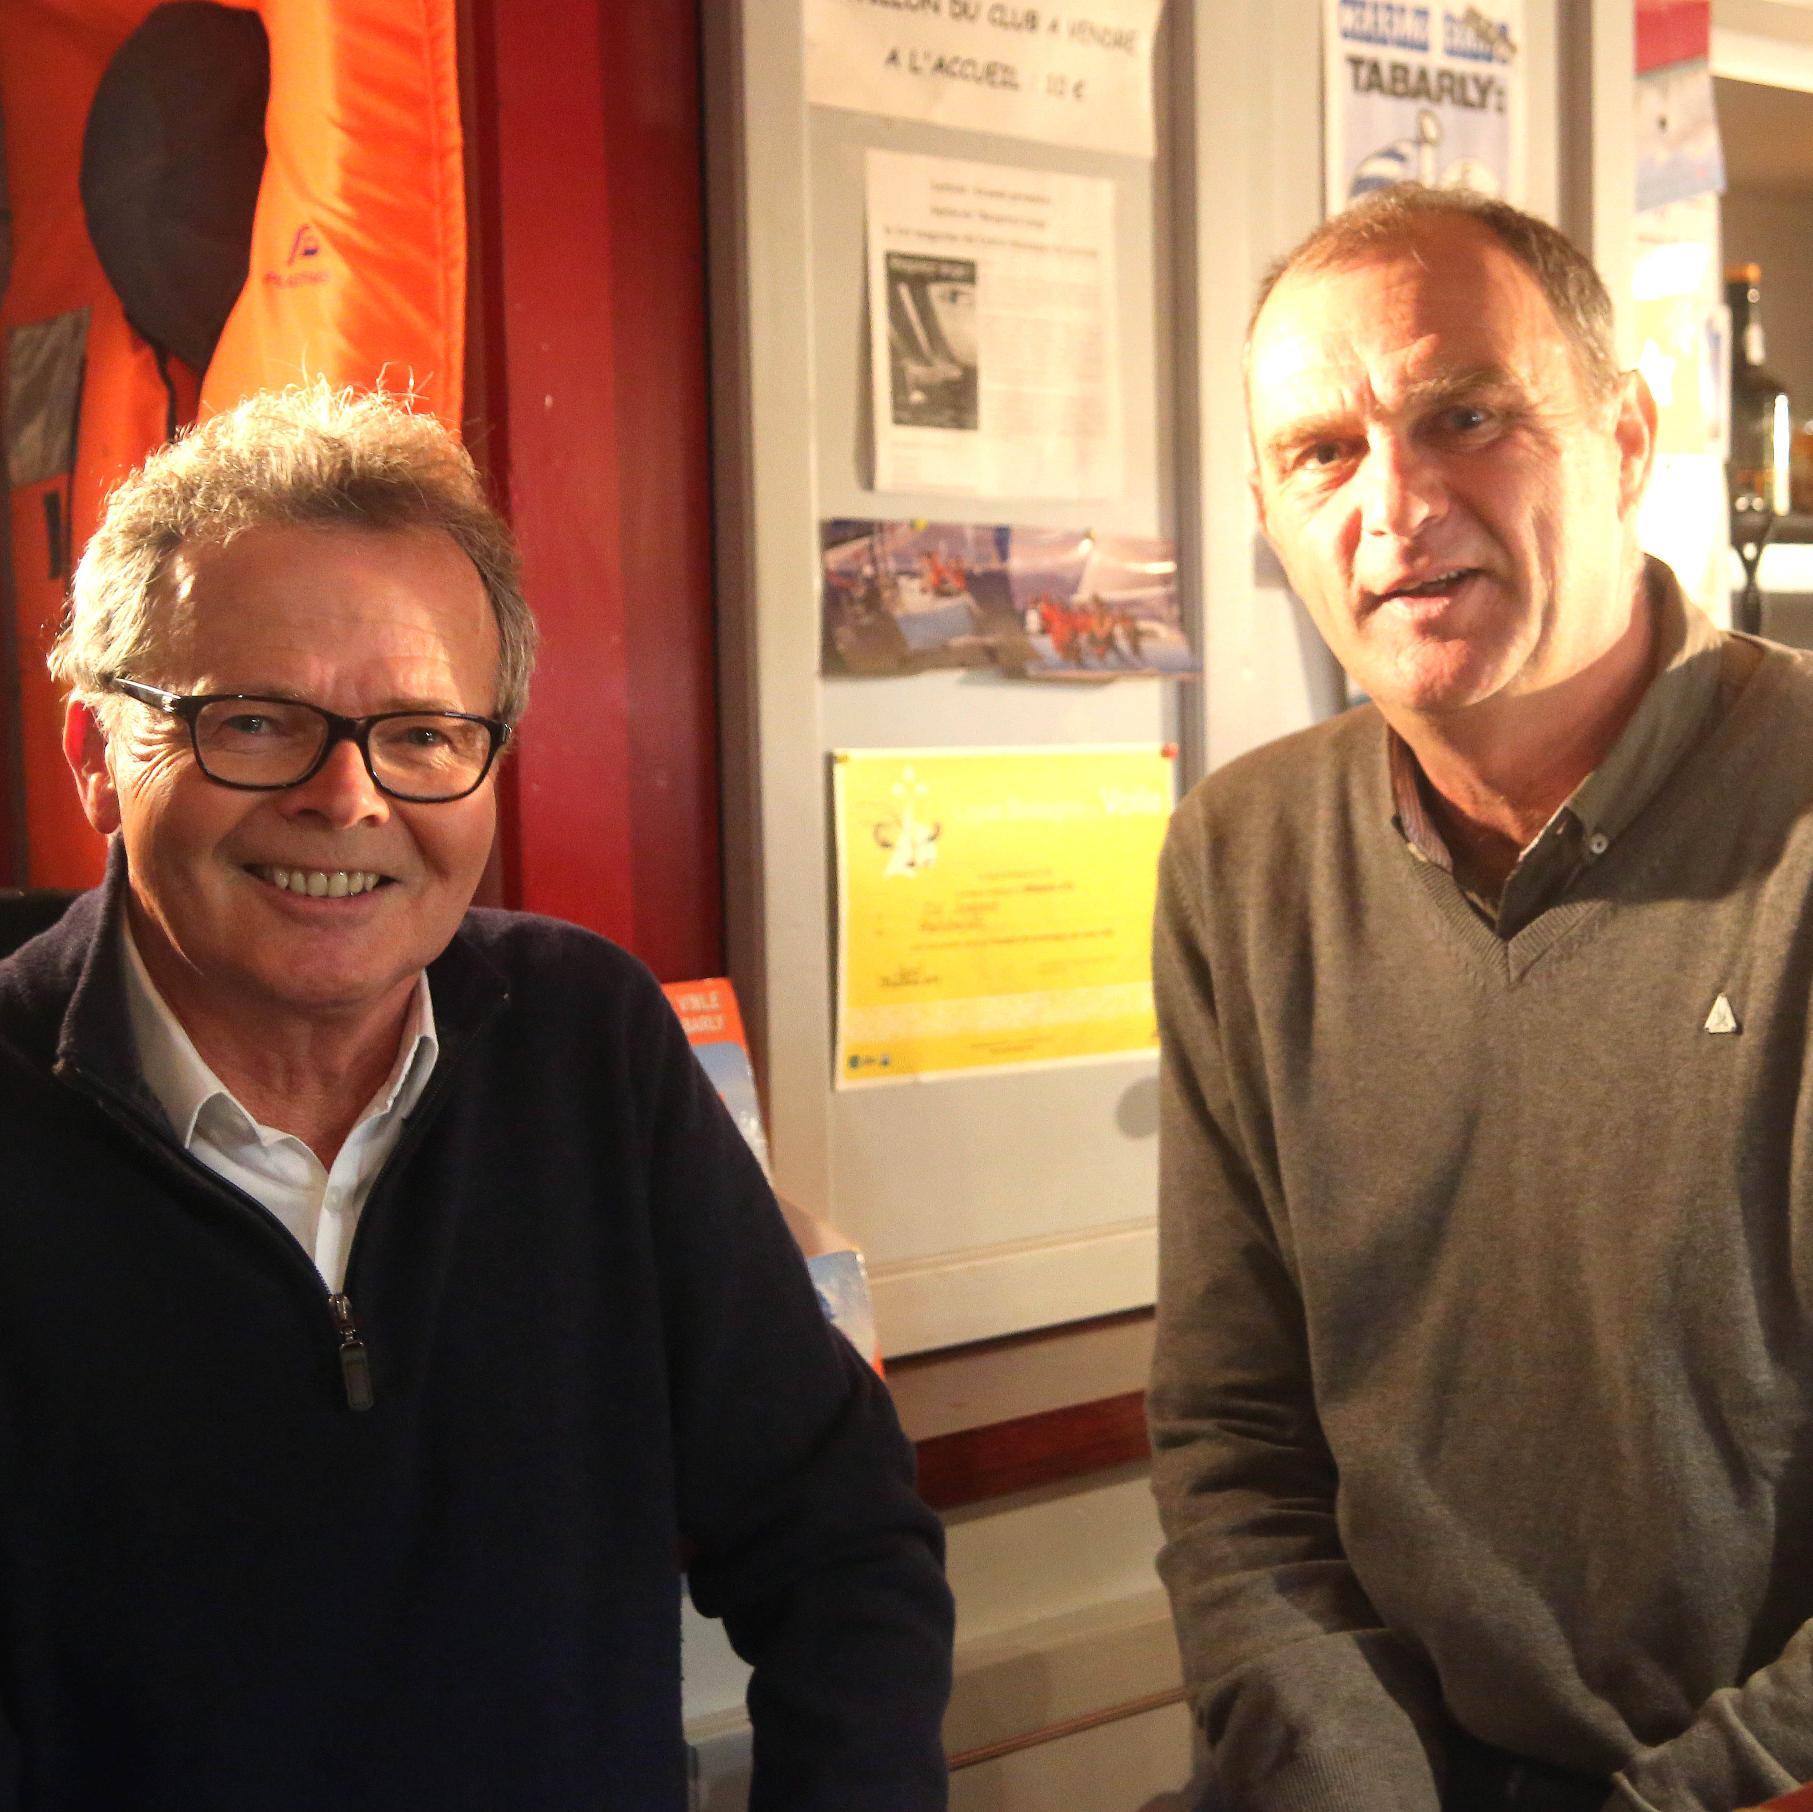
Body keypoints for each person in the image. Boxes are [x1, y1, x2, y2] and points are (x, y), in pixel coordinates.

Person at [0, 383, 953, 1810]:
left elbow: (838, 1531)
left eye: (424, 734)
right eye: (254, 722)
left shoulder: (587, 1042)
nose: (348, 798)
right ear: (94, 756)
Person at [1147, 184, 1813, 1812]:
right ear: (1265, 505)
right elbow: (1235, 1438)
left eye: (1465, 416)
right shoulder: (1242, 857)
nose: (1395, 506)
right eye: (1320, 453)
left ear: (1628, 434)